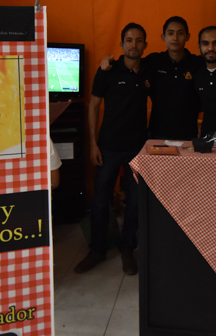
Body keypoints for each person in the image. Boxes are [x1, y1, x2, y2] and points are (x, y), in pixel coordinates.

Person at [75, 23, 149, 276]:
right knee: (99, 201)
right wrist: (93, 143)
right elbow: (93, 106)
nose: (133, 45)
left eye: (138, 40)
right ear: (121, 44)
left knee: (134, 203)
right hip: (107, 148)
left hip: (137, 149)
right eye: (129, 40)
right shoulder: (107, 70)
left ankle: (127, 250)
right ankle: (97, 250)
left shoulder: (149, 70)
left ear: (145, 45)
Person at [101, 16, 216, 140]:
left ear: (187, 37)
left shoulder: (198, 63)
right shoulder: (153, 61)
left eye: (180, 33)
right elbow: (130, 62)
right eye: (170, 33)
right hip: (157, 134)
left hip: (189, 135)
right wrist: (108, 59)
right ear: (163, 37)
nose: (175, 38)